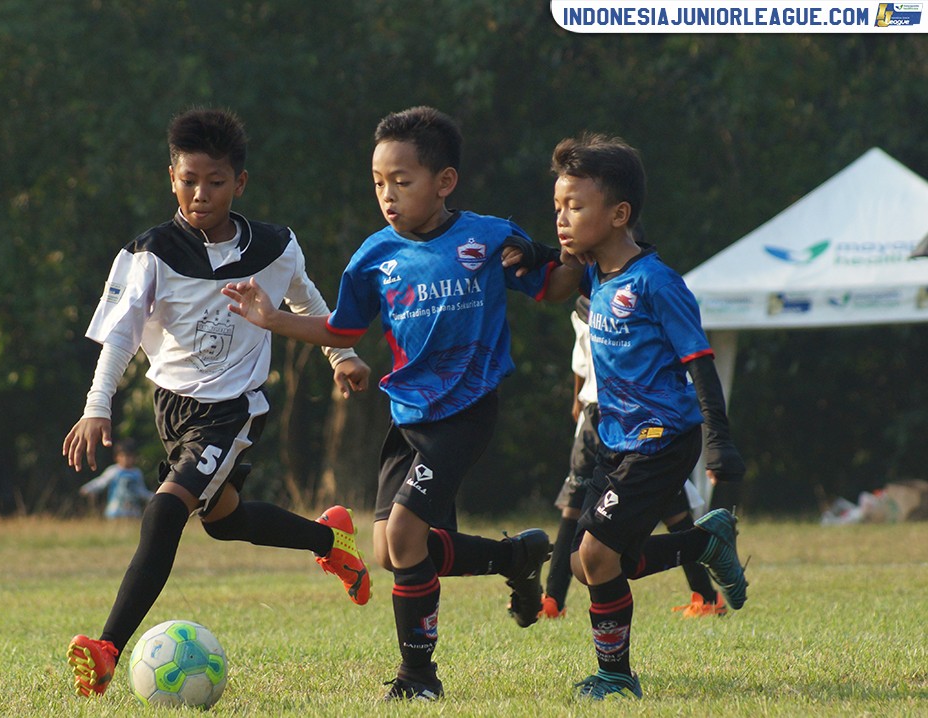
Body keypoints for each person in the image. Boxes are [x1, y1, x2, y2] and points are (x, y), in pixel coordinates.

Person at [222, 106, 579, 701]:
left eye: (402, 181)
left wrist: (573, 252)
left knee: (408, 536)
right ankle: (515, 557)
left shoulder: (489, 237)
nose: (387, 195)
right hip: (407, 415)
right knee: (391, 551)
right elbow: (343, 329)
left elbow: (553, 287)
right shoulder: (372, 257)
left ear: (444, 182)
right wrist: (272, 319)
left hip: (465, 410)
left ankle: (419, 680)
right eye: (378, 183)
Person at [63, 108, 374, 699]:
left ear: (240, 183)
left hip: (234, 410)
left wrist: (342, 357)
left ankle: (106, 648)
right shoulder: (149, 253)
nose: (200, 194)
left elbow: (309, 303)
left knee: (163, 511)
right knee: (226, 522)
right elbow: (121, 335)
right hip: (172, 409)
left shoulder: (276, 247)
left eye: (215, 182)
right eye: (188, 180)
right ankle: (331, 541)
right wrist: (96, 404)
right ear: (171, 178)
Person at [518, 132, 748, 700]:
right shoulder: (597, 273)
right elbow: (560, 267)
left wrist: (720, 444)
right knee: (584, 563)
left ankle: (616, 678)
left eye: (575, 206)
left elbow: (699, 363)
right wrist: (529, 256)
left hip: (663, 439)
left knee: (595, 555)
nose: (562, 219)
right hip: (615, 440)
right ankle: (702, 543)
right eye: (557, 208)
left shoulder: (657, 283)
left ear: (620, 214)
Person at [540, 297, 727, 620]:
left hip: (637, 416)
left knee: (670, 512)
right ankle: (553, 598)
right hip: (597, 412)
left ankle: (707, 593)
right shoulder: (586, 298)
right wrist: (578, 399)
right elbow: (581, 361)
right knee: (580, 508)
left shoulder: (642, 295)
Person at [78, 439, 154, 519]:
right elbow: (101, 482)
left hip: (133, 512)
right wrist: (88, 488)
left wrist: (153, 497)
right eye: (122, 456)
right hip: (115, 511)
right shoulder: (113, 471)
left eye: (129, 456)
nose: (126, 459)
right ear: (116, 457)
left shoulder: (137, 473)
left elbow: (141, 490)